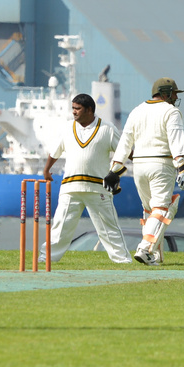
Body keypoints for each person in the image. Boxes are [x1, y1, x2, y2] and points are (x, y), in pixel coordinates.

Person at [108, 77, 184, 266]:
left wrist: (114, 169)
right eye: (174, 92)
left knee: (150, 211)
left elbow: (125, 141)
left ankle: (156, 256)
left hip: (140, 166)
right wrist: (182, 167)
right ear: (165, 93)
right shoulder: (171, 112)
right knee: (163, 207)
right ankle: (144, 248)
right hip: (161, 164)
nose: (176, 96)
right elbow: (175, 139)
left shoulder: (137, 111)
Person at [43, 94, 133, 262]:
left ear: (90, 110)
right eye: (73, 109)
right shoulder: (67, 128)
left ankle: (122, 260)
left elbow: (125, 151)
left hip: (97, 187)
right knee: (60, 226)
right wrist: (47, 170)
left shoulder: (107, 128)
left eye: (78, 109)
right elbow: (55, 150)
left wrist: (118, 171)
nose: (74, 112)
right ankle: (45, 259)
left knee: (108, 228)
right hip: (71, 186)